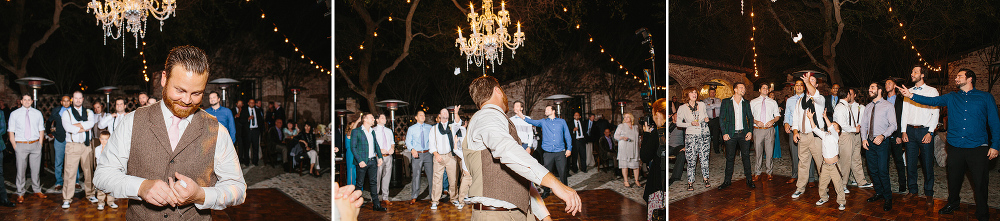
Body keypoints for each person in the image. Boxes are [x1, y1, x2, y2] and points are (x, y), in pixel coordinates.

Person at [94, 45, 246, 220]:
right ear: (164, 79)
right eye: (180, 90)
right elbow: (103, 175)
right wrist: (140, 186)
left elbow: (238, 188)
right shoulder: (132, 121)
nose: (187, 100)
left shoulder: (217, 131)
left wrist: (201, 195)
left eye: (196, 93)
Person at [464, 75, 580, 220]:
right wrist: (556, 184)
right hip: (498, 216)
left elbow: (522, 179)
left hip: (514, 213)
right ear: (498, 91)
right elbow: (507, 150)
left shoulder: (490, 118)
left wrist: (544, 216)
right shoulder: (487, 115)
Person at [897, 69, 998, 220]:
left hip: (977, 147)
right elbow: (932, 102)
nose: (956, 78)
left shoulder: (985, 97)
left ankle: (982, 211)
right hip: (955, 146)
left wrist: (995, 145)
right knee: (954, 179)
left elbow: (995, 123)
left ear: (970, 79)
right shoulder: (951, 97)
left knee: (980, 182)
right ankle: (953, 203)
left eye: (959, 76)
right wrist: (911, 95)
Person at [899, 66, 940, 197]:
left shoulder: (932, 91)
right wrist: (903, 131)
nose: (912, 74)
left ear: (922, 75)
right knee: (910, 163)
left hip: (925, 131)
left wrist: (931, 132)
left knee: (927, 163)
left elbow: (936, 112)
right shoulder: (908, 91)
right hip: (910, 131)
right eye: (911, 71)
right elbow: (904, 113)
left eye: (915, 72)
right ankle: (912, 190)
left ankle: (929, 192)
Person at [518, 105, 573, 194]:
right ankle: (546, 192)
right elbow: (531, 121)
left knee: (562, 173)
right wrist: (522, 116)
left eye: (547, 109)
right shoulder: (543, 122)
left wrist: (569, 148)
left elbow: (567, 135)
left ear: (553, 111)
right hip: (548, 153)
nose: (545, 111)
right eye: (545, 109)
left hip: (560, 152)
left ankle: (565, 192)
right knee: (547, 174)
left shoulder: (562, 122)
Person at [860, 81, 897, 211]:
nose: (869, 89)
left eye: (872, 87)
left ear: (879, 90)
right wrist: (863, 139)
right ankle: (879, 192)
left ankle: (888, 197)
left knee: (882, 171)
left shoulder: (888, 106)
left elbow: (893, 125)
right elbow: (864, 125)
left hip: (882, 142)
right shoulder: (868, 107)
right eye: (869, 87)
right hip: (869, 143)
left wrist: (883, 135)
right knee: (873, 170)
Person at [60, 91, 98, 209]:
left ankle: (90, 194)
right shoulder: (66, 113)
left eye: (80, 98)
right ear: (72, 99)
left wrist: (76, 125)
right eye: (75, 98)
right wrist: (83, 126)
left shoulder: (89, 112)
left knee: (88, 171)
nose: (78, 100)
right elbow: (68, 127)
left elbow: (91, 124)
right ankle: (67, 198)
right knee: (69, 172)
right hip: (72, 145)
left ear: (82, 99)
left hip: (87, 145)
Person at [791, 73, 826, 198]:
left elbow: (815, 94)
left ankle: (823, 190)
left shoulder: (820, 99)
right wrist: (795, 132)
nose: (809, 82)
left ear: (816, 85)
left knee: (820, 164)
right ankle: (800, 188)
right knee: (803, 163)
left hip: (816, 136)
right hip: (803, 136)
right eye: (808, 81)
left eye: (812, 81)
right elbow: (795, 118)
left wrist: (807, 83)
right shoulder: (800, 100)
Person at [804, 109, 846, 211]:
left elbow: (831, 128)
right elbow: (815, 129)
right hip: (825, 166)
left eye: (834, 126)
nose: (831, 125)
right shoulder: (825, 135)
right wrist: (810, 118)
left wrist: (825, 117)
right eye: (831, 124)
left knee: (838, 185)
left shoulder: (835, 136)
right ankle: (823, 198)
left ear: (838, 131)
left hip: (834, 166)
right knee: (822, 184)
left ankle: (841, 202)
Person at [831, 88, 873, 191]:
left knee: (855, 159)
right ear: (847, 95)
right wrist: (855, 129)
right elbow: (842, 125)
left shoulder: (847, 106)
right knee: (845, 162)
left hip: (850, 135)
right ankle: (842, 185)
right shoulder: (841, 107)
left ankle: (860, 181)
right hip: (845, 135)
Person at [9, 94, 45, 205]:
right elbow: (11, 131)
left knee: (36, 170)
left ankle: (37, 190)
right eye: (25, 99)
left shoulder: (37, 113)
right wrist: (15, 146)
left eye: (29, 99)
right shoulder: (14, 114)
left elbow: (41, 129)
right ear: (21, 101)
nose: (27, 101)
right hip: (21, 145)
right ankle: (20, 193)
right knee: (20, 170)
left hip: (35, 144)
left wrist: (40, 144)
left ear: (32, 101)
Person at [718, 82, 755, 190]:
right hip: (731, 134)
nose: (744, 89)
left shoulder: (746, 103)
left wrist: (750, 131)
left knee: (746, 157)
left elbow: (750, 118)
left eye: (744, 88)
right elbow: (721, 118)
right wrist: (724, 133)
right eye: (741, 87)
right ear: (735, 89)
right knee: (730, 158)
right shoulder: (726, 102)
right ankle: (727, 181)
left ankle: (749, 180)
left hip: (744, 134)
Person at [429, 108, 465, 210]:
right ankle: (435, 201)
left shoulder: (452, 126)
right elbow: (431, 143)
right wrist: (436, 154)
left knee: (453, 179)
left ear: (449, 115)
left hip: (450, 156)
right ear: (439, 115)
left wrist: (456, 113)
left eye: (447, 112)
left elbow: (459, 122)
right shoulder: (434, 129)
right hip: (438, 156)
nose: (445, 113)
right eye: (443, 112)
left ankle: (454, 199)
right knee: (437, 180)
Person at [351, 113, 386, 212]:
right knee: (359, 183)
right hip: (362, 162)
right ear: (365, 120)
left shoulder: (372, 132)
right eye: (371, 118)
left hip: (372, 161)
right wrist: (359, 161)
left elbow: (376, 145)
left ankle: (376, 205)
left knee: (373, 183)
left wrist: (380, 157)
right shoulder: (356, 131)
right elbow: (353, 148)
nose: (373, 119)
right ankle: (356, 203)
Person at [677, 87, 710, 191]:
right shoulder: (682, 108)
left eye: (695, 92)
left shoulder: (702, 104)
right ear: (687, 95)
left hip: (704, 133)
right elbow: (678, 123)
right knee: (691, 159)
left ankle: (706, 178)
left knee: (704, 158)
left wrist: (706, 119)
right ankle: (690, 182)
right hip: (691, 135)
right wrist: (689, 123)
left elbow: (705, 116)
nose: (694, 94)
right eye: (691, 92)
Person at [784, 80, 816, 185]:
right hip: (794, 130)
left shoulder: (809, 98)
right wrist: (786, 123)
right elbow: (787, 114)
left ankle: (811, 178)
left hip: (806, 130)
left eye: (801, 85)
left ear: (804, 87)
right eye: (796, 85)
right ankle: (795, 175)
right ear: (794, 88)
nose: (798, 87)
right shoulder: (789, 100)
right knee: (794, 154)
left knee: (809, 154)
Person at [641, 98, 667, 220]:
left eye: (653, 114)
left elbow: (645, 157)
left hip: (658, 180)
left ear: (657, 114)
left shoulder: (657, 133)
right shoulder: (672, 128)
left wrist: (646, 135)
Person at [750, 83, 780, 181]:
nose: (765, 90)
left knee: (769, 152)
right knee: (758, 152)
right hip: (758, 130)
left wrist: (772, 121)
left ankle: (769, 172)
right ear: (759, 90)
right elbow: (749, 116)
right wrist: (756, 121)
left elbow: (777, 116)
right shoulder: (753, 102)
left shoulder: (773, 102)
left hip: (770, 129)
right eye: (763, 88)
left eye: (767, 88)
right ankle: (757, 172)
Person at [884, 78, 908, 193]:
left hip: (896, 135)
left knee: (899, 161)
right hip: (884, 136)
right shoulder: (882, 100)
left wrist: (899, 135)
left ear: (894, 86)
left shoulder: (901, 101)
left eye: (889, 83)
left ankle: (902, 184)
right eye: (886, 83)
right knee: (885, 161)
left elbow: (902, 119)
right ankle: (885, 184)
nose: (886, 85)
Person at [48, 95, 76, 191]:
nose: (66, 102)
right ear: (61, 102)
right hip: (59, 139)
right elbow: (49, 121)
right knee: (58, 162)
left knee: (73, 162)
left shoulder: (74, 111)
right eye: (64, 101)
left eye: (68, 101)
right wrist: (51, 133)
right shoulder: (56, 110)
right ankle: (59, 182)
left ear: (70, 102)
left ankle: (75, 182)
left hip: (72, 139)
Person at [405, 111, 433, 204]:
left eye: (424, 115)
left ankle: (432, 196)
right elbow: (408, 141)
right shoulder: (411, 129)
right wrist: (412, 149)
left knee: (431, 175)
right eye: (421, 115)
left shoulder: (430, 128)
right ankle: (414, 196)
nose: (423, 117)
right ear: (416, 117)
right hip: (417, 154)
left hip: (428, 153)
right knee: (416, 176)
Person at [614, 113, 641, 188]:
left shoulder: (635, 127)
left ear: (631, 118)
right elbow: (615, 136)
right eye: (624, 117)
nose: (625, 118)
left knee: (636, 165)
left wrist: (639, 144)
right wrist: (622, 137)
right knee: (625, 165)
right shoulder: (621, 126)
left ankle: (636, 180)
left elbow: (638, 137)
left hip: (634, 147)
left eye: (627, 117)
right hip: (624, 147)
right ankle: (626, 181)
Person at [93, 131, 119, 210]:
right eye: (102, 139)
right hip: (101, 171)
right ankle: (101, 202)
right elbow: (100, 158)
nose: (104, 141)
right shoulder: (97, 149)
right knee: (101, 187)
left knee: (110, 186)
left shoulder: (112, 149)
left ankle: (110, 201)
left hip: (110, 170)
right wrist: (103, 148)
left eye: (106, 139)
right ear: (99, 139)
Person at [373, 114, 395, 206]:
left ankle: (385, 197)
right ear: (377, 120)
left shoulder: (389, 131)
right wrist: (379, 150)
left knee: (387, 177)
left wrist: (392, 148)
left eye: (385, 117)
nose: (385, 119)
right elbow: (372, 144)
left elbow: (392, 143)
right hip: (379, 156)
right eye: (382, 117)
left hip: (388, 156)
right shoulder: (373, 130)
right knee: (377, 177)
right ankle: (375, 198)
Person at [245, 98, 265, 166]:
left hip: (255, 130)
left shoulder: (257, 110)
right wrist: (248, 119)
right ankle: (246, 161)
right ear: (248, 103)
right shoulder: (245, 110)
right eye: (250, 102)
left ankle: (255, 161)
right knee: (247, 146)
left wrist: (260, 130)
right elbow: (241, 120)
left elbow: (261, 121)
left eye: (253, 103)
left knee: (255, 147)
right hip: (248, 130)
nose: (252, 104)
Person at [703, 88, 723, 154]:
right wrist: (714, 106)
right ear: (709, 93)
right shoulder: (705, 100)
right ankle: (706, 150)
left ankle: (716, 149)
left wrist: (710, 105)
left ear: (715, 93)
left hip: (716, 119)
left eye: (713, 92)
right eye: (711, 92)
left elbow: (720, 105)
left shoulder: (718, 100)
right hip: (708, 119)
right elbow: (705, 107)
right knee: (707, 135)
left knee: (716, 135)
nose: (712, 93)